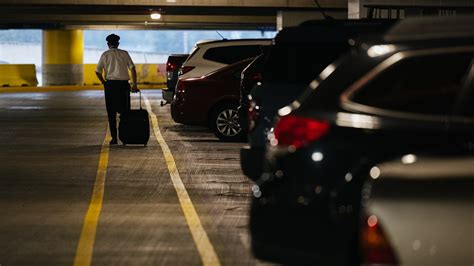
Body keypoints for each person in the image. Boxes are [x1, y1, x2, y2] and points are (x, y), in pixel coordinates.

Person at [95, 33, 139, 145]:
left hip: (110, 86)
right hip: (124, 86)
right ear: (118, 43)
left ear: (108, 44)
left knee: (111, 113)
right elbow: (132, 69)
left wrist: (104, 83)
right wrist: (134, 84)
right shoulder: (124, 54)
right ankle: (125, 136)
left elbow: (98, 71)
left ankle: (114, 138)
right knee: (125, 112)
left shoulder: (105, 55)